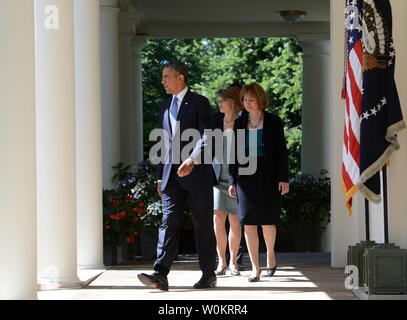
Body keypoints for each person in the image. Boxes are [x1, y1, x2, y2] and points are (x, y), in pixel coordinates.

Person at [137, 61, 217, 290]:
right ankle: (160, 273)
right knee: (168, 221)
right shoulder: (164, 105)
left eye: (166, 76)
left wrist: (193, 158)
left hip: (197, 174)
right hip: (171, 176)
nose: (162, 81)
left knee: (202, 224)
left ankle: (209, 274)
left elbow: (208, 134)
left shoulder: (199, 102)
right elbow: (163, 142)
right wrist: (160, 176)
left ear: (180, 77)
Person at [228, 82, 289, 282]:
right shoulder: (239, 122)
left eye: (251, 99)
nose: (247, 103)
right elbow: (234, 154)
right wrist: (232, 180)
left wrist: (283, 179)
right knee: (248, 223)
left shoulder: (273, 121)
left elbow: (282, 152)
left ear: (260, 100)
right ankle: (255, 268)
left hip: (269, 176)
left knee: (268, 221)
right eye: (244, 100)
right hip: (245, 178)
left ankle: (270, 255)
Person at [212, 88, 244, 276]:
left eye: (222, 100)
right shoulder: (215, 120)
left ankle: (233, 263)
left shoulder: (243, 122)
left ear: (232, 102)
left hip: (236, 178)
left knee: (234, 220)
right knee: (217, 219)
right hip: (216, 178)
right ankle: (221, 262)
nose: (219, 103)